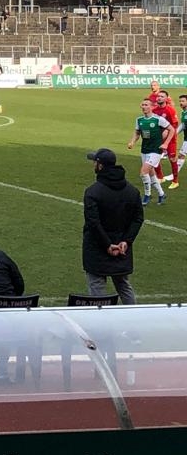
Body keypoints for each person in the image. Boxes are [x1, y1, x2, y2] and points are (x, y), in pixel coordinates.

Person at [83, 149, 144, 304]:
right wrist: (126, 241)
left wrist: (108, 245)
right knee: (123, 284)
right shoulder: (132, 191)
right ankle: (134, 314)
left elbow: (93, 222)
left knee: (97, 287)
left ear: (100, 166)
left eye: (95, 162)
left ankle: (100, 318)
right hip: (122, 249)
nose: (93, 165)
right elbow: (138, 219)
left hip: (97, 248)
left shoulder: (93, 192)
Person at [128, 98, 172, 205]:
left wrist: (166, 144)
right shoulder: (139, 120)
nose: (144, 107)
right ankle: (161, 194)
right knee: (151, 174)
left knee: (143, 173)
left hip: (155, 150)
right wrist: (132, 142)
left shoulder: (158, 119)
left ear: (152, 107)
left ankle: (147, 195)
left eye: (146, 105)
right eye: (142, 105)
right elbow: (137, 133)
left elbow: (172, 129)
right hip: (145, 150)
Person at [154, 90, 179, 188]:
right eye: (158, 96)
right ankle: (160, 177)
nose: (159, 98)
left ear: (166, 99)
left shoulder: (170, 110)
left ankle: (175, 181)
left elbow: (175, 125)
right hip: (158, 138)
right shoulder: (154, 110)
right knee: (154, 157)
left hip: (170, 138)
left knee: (172, 159)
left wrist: (166, 132)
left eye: (162, 96)